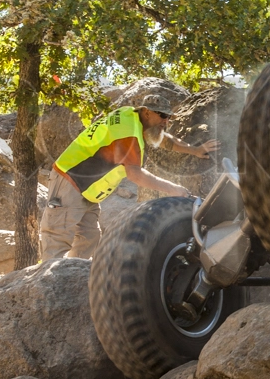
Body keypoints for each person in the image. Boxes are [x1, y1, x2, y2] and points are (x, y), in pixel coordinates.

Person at [40, 95, 220, 261]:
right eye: (162, 115)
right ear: (146, 112)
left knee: (89, 238)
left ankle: (70, 282)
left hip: (89, 189)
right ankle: (48, 289)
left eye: (169, 117)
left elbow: (164, 139)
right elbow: (135, 174)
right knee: (58, 238)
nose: (166, 121)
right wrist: (175, 190)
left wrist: (194, 150)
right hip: (71, 180)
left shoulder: (133, 118)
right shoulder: (128, 131)